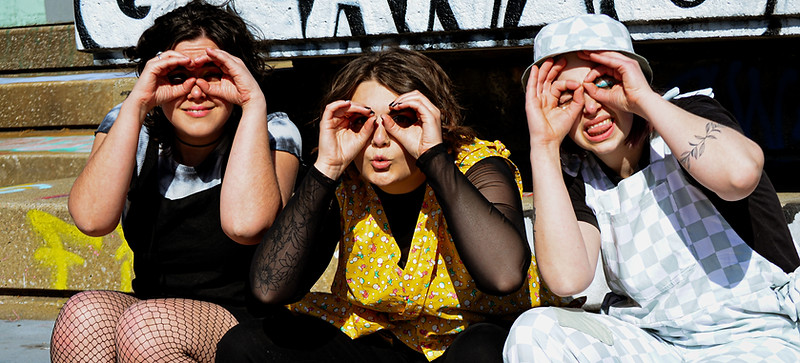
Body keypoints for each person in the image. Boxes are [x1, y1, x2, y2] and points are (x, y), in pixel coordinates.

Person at [215, 47, 559, 362]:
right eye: (361, 121)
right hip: (383, 343)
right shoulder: (345, 178)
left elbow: (503, 276)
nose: (379, 138)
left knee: (482, 347)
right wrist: (327, 169)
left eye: (403, 119)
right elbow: (267, 290)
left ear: (437, 119)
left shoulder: (476, 165)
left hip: (466, 345)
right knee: (246, 343)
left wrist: (433, 158)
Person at [503, 14, 800, 362]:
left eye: (603, 82)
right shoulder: (575, 176)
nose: (590, 106)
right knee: (533, 332)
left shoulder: (689, 117)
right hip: (653, 345)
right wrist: (543, 145)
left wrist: (643, 98)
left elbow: (738, 176)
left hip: (755, 335)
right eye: (567, 96)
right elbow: (568, 279)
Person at [50, 1, 301, 362]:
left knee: (147, 327)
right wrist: (137, 102)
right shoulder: (132, 126)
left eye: (214, 74)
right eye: (178, 76)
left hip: (244, 323)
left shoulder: (272, 130)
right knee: (82, 313)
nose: (196, 92)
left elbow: (247, 225)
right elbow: (91, 219)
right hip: (150, 313)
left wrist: (252, 102)